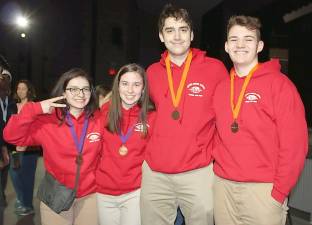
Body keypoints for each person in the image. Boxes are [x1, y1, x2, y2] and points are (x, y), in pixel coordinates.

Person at [212, 15, 308, 225]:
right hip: (222, 187)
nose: (240, 45)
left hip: (263, 191)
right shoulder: (220, 89)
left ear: (260, 46)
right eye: (234, 39)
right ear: (227, 46)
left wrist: (278, 193)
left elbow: (294, 145)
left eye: (248, 39)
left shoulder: (280, 85)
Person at [140, 4, 228, 225]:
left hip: (198, 172)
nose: (177, 36)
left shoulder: (215, 69)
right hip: (156, 173)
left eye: (183, 29)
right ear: (161, 36)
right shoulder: (151, 72)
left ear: (192, 34)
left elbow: (228, 116)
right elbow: (138, 112)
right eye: (170, 30)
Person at [4, 68, 103, 225]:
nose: (81, 94)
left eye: (85, 89)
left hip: (90, 195)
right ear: (64, 93)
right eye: (73, 89)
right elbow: (11, 136)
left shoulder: (99, 119)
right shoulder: (48, 121)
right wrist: (35, 108)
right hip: (57, 193)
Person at [96, 63, 155, 225]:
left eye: (136, 85)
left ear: (143, 89)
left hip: (135, 192)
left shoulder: (151, 116)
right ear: (117, 86)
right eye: (125, 84)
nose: (130, 90)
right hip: (104, 192)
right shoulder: (103, 112)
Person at [9, 79, 39, 216]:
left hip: (29, 150)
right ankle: (22, 199)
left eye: (23, 88)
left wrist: (26, 143)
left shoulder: (33, 106)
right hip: (15, 148)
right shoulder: (14, 106)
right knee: (15, 175)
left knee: (27, 177)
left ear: (29, 91)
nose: (20, 91)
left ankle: (28, 205)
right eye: (18, 88)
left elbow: (36, 128)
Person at [0, 55, 17, 207]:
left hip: (8, 146)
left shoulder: (12, 104)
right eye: (1, 78)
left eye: (6, 78)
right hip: (1, 145)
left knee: (4, 173)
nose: (3, 81)